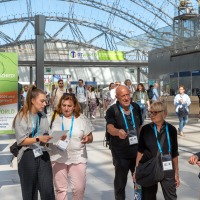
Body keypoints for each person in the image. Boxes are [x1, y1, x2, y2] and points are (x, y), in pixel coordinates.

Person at [13, 85, 55, 200]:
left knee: (48, 190)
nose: (44, 103)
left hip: (43, 152)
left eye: (45, 101)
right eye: (42, 101)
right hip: (27, 154)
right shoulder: (22, 116)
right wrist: (38, 139)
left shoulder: (43, 116)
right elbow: (21, 140)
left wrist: (55, 137)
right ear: (32, 100)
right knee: (30, 192)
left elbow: (46, 133)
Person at [49, 93, 94, 200]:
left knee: (79, 188)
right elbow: (48, 137)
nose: (66, 108)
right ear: (60, 105)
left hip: (77, 157)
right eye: (64, 105)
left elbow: (90, 137)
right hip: (58, 157)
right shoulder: (55, 118)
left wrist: (87, 139)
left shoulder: (82, 119)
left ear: (74, 106)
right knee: (61, 189)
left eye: (69, 106)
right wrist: (56, 138)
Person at [133, 101, 180, 200]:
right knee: (148, 197)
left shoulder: (171, 130)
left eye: (155, 112)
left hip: (167, 167)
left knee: (171, 197)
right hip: (149, 167)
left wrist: (176, 173)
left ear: (164, 113)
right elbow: (140, 151)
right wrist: (136, 170)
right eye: (150, 112)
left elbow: (174, 153)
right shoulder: (145, 129)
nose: (152, 115)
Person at [106, 85, 142, 200]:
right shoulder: (112, 110)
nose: (126, 98)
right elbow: (109, 128)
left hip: (137, 152)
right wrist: (118, 132)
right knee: (120, 182)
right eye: (123, 96)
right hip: (121, 153)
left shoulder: (136, 107)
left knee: (139, 180)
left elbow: (140, 126)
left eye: (128, 95)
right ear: (117, 97)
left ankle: (138, 198)